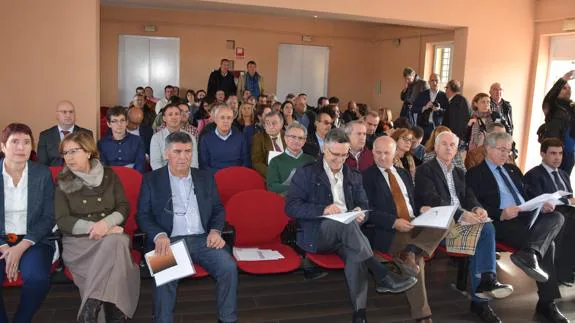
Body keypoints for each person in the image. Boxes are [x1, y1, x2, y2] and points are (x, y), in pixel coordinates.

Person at [285, 128, 417, 323]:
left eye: (344, 155)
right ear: (324, 151)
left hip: (349, 235)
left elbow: (364, 205)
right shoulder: (307, 173)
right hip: (318, 233)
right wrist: (323, 209)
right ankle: (381, 274)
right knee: (347, 227)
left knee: (355, 253)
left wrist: (359, 212)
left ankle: (359, 314)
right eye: (334, 155)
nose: (339, 160)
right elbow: (291, 207)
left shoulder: (354, 175)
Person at [466, 132, 567, 323]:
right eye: (501, 149)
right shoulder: (475, 173)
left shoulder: (513, 170)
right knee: (549, 246)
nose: (506, 154)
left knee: (557, 217)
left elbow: (527, 196)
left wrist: (541, 204)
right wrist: (500, 213)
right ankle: (546, 302)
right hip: (500, 222)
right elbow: (473, 204)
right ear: (488, 148)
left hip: (526, 216)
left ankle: (529, 253)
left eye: (508, 150)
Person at [137, 131, 237, 323]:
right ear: (166, 154)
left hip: (202, 239)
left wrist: (215, 231)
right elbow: (142, 215)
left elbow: (217, 208)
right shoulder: (151, 180)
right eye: (177, 151)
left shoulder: (205, 177)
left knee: (228, 267)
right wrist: (158, 235)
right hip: (169, 240)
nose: (183, 157)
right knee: (166, 275)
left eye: (188, 151)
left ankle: (228, 319)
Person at [416, 131, 513, 323]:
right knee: (484, 232)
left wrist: (478, 208)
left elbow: (469, 196)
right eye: (444, 144)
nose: (449, 148)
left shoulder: (461, 172)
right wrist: (461, 214)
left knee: (486, 227)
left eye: (453, 145)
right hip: (440, 224)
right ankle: (482, 295)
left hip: (461, 222)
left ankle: (485, 284)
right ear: (435, 147)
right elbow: (433, 200)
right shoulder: (424, 170)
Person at [55, 131, 139, 323]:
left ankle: (90, 307)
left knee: (115, 242)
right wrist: (98, 228)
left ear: (88, 152)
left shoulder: (110, 175)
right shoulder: (62, 182)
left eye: (73, 151)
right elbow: (62, 220)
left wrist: (107, 224)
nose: (69, 157)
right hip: (80, 243)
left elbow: (123, 207)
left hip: (110, 237)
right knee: (118, 244)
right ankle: (115, 314)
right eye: (65, 153)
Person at [363, 136, 449, 323]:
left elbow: (413, 201)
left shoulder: (402, 174)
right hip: (390, 230)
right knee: (417, 261)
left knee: (446, 220)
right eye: (378, 152)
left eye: (387, 153)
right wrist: (394, 222)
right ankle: (423, 314)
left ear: (395, 154)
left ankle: (411, 251)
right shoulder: (366, 176)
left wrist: (422, 209)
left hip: (415, 223)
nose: (382, 157)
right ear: (372, 153)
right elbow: (367, 211)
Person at [0, 123, 55, 323]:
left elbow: (49, 216)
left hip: (34, 239)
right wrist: (5, 246)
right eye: (14, 142)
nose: (21, 148)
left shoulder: (42, 174)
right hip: (1, 240)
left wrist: (22, 246)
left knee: (38, 279)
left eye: (26, 142)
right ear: (3, 146)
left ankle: (21, 320)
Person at [524, 138, 575, 285]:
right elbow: (538, 200)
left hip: (566, 212)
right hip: (547, 215)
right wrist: (567, 202)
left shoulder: (564, 175)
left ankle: (567, 271)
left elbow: (569, 198)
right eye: (553, 153)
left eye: (560, 153)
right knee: (569, 221)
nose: (558, 157)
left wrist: (569, 202)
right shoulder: (533, 175)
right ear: (542, 154)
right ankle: (562, 272)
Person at [38, 100, 93, 166]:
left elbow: (92, 161)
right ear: (57, 115)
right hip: (54, 174)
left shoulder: (86, 134)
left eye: (71, 112)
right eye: (64, 112)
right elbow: (42, 164)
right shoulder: (45, 136)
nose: (68, 115)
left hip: (79, 174)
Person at [541, 70, 575, 174]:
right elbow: (549, 96)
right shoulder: (552, 106)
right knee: (551, 179)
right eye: (564, 88)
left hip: (569, 153)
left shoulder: (572, 107)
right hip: (554, 150)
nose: (568, 89)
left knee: (564, 181)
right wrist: (563, 79)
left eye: (569, 88)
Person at [199, 104, 250, 173]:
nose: (226, 121)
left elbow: (246, 162)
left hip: (236, 176)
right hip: (214, 177)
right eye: (222, 117)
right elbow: (204, 165)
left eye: (229, 118)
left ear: (232, 120)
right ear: (216, 119)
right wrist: (222, 175)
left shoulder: (240, 138)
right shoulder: (205, 139)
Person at [267, 122, 314, 195]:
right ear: (285, 138)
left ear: (304, 141)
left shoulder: (311, 160)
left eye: (300, 138)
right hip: (284, 201)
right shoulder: (275, 161)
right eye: (293, 137)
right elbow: (271, 186)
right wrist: (295, 188)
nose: (296, 141)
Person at [98, 106, 146, 173]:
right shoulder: (102, 143)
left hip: (132, 178)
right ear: (109, 124)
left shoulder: (137, 140)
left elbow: (140, 167)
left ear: (126, 122)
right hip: (110, 180)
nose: (119, 124)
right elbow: (102, 168)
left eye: (122, 120)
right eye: (115, 121)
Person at [150, 104, 198, 170]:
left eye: (177, 114)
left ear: (181, 116)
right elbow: (155, 163)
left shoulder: (191, 137)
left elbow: (194, 163)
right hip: (164, 175)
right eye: (170, 114)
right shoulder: (156, 138)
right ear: (164, 118)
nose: (174, 117)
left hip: (186, 175)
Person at [413, 73, 449, 143]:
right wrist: (425, 107)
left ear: (440, 82)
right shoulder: (422, 94)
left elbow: (448, 112)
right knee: (422, 147)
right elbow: (413, 109)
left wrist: (439, 110)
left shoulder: (444, 96)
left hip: (437, 127)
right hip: (423, 126)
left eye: (437, 80)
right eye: (432, 80)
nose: (435, 83)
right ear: (429, 82)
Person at [251, 111, 286, 178]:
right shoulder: (258, 138)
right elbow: (256, 162)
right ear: (264, 126)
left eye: (274, 123)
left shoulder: (288, 136)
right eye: (267, 123)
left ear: (281, 124)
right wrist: (272, 174)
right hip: (270, 176)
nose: (271, 126)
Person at [442, 80, 470, 144]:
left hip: (456, 139)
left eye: (446, 88)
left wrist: (454, 139)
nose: (445, 91)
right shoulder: (458, 100)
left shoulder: (458, 101)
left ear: (450, 88)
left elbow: (457, 123)